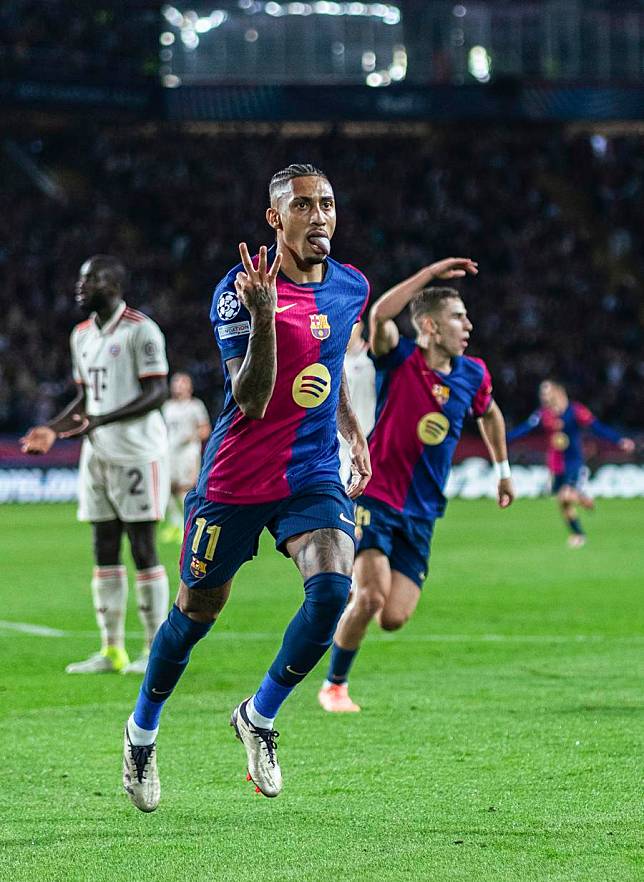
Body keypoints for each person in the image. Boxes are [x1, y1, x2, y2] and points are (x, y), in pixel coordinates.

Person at [122, 163, 372, 812]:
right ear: (275, 218)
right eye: (305, 206)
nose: (320, 217)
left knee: (333, 591)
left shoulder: (351, 286)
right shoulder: (240, 292)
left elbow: (332, 357)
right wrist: (265, 318)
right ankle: (142, 732)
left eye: (328, 203)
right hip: (235, 478)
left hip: (310, 473)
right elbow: (252, 399)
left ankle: (259, 716)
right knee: (196, 614)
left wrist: (350, 425)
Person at [318, 261, 515, 713]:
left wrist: (502, 468)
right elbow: (380, 317)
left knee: (392, 616)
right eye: (457, 317)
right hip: (375, 495)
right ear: (429, 325)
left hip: (422, 512)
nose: (468, 325)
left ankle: (349, 597)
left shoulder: (473, 374)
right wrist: (433, 273)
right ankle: (334, 686)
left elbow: (489, 414)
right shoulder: (400, 357)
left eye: (466, 318)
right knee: (370, 596)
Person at [20, 255, 170, 674]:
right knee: (103, 547)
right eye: (80, 279)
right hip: (98, 454)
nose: (80, 287)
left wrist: (101, 419)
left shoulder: (142, 330)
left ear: (114, 285)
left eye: (90, 280)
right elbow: (85, 399)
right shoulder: (81, 335)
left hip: (138, 451)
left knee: (143, 547)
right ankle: (111, 650)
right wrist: (52, 429)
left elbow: (156, 391)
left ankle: (154, 650)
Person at [507, 379, 634, 547]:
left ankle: (579, 500)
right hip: (555, 464)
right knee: (563, 503)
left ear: (558, 392)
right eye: (541, 393)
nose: (543, 397)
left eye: (546, 392)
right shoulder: (543, 414)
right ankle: (578, 532)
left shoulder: (576, 410)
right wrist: (504, 440)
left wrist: (618, 440)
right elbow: (525, 429)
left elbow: (597, 427)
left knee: (565, 496)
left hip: (573, 462)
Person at [161, 372, 211, 542]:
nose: (178, 386)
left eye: (182, 383)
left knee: (185, 487)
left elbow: (205, 429)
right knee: (167, 488)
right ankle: (175, 523)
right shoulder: (167, 406)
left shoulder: (195, 406)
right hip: (169, 452)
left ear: (189, 386)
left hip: (188, 452)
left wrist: (192, 436)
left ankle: (187, 526)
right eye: (176, 383)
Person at [338, 320, 376, 485]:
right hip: (337, 442)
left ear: (360, 326)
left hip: (365, 440)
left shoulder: (373, 359)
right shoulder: (336, 359)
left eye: (350, 327)